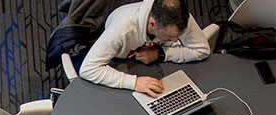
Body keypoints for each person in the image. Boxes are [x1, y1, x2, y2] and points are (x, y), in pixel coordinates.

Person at [77, 0, 212, 96]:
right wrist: (134, 83)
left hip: (151, 66)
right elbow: (88, 69)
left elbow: (202, 50)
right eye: (170, 36)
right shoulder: (121, 30)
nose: (176, 41)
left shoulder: (181, 19)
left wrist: (162, 54)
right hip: (117, 63)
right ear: (153, 24)